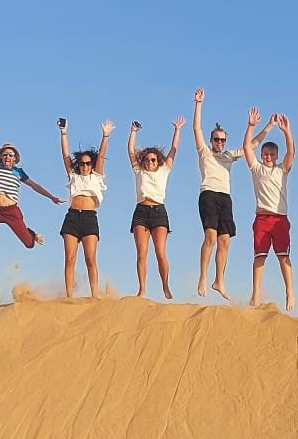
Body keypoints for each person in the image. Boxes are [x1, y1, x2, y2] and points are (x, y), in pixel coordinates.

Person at [193, 87, 266, 299]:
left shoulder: (229, 155)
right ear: (211, 140)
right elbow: (196, 128)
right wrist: (199, 104)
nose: (220, 143)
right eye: (217, 139)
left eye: (223, 140)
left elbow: (251, 146)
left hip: (225, 197)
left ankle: (219, 281)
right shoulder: (204, 152)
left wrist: (265, 127)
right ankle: (203, 278)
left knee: (225, 240)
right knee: (211, 236)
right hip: (208, 194)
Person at [0, 119, 64, 257]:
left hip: (12, 210)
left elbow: (35, 186)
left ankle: (31, 234)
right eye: (5, 154)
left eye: (11, 155)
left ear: (15, 159)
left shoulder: (18, 172)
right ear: (0, 157)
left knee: (29, 244)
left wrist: (51, 197)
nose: (7, 157)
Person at [242, 108, 296, 311]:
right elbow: (247, 147)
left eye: (272, 154)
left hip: (280, 219)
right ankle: (255, 293)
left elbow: (291, 152)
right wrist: (253, 126)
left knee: (283, 256)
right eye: (265, 154)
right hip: (262, 219)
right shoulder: (257, 169)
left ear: (276, 155)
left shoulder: (282, 169)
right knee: (259, 257)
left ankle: (289, 292)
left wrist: (286, 132)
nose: (268, 157)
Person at [127, 116, 185, 299]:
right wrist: (134, 132)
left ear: (158, 160)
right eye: (147, 159)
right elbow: (130, 150)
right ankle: (142, 289)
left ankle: (165, 285)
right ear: (143, 160)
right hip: (141, 212)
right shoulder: (139, 170)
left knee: (160, 253)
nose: (150, 162)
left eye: (153, 160)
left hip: (159, 212)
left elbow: (173, 151)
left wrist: (177, 130)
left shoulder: (164, 169)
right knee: (142, 254)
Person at [58, 119, 114, 298]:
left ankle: (94, 294)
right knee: (70, 259)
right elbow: (66, 156)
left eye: (88, 163)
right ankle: (69, 295)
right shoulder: (73, 175)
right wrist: (63, 133)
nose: (84, 166)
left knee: (90, 259)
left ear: (92, 164)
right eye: (82, 163)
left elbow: (102, 155)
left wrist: (105, 136)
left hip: (90, 218)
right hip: (72, 217)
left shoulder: (97, 176)